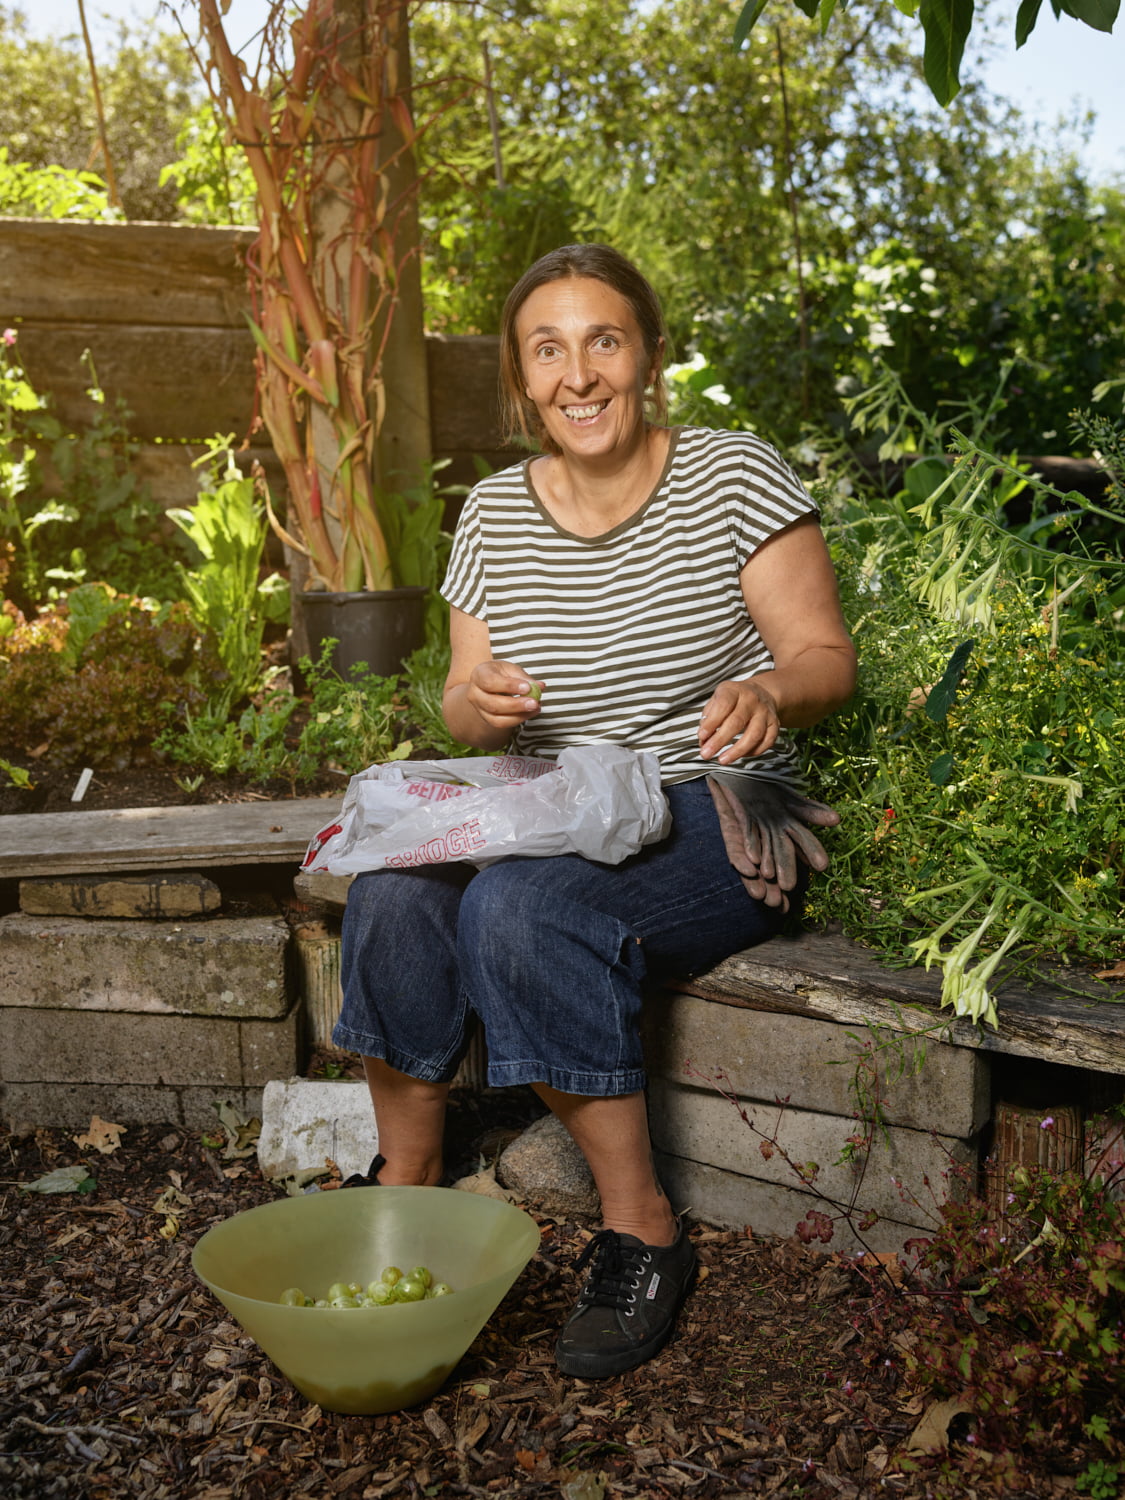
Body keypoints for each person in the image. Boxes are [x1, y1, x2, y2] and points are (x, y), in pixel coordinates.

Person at [334, 244, 857, 1380]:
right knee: (391, 891)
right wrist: (469, 704)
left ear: (650, 358)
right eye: (549, 348)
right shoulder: (492, 515)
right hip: (550, 803)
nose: (579, 374)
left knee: (520, 911)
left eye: (604, 340)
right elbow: (472, 710)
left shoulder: (730, 476)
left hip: (709, 804)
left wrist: (770, 687)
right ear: (523, 382)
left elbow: (825, 657)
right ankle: (408, 1181)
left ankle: (640, 1229)